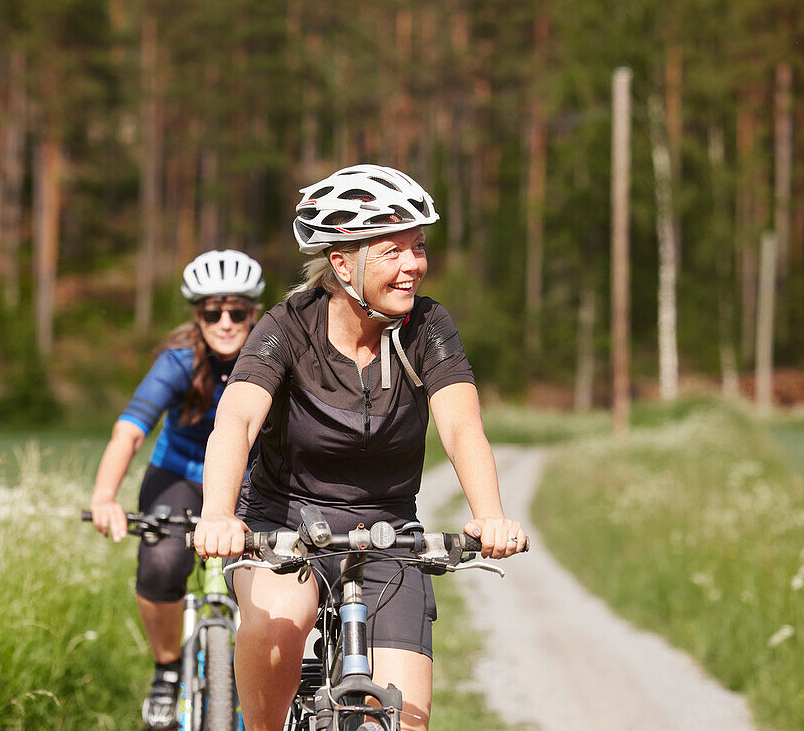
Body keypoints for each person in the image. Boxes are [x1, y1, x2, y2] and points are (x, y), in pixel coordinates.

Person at [192, 164, 528, 731]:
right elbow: (238, 420)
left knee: (405, 722)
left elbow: (462, 427)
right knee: (274, 630)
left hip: (388, 532)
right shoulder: (288, 326)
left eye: (418, 249)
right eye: (393, 251)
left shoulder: (429, 327)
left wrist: (489, 515)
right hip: (283, 521)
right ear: (343, 262)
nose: (413, 267)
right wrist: (219, 515)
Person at [88, 248, 265, 729]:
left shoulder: (272, 356)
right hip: (181, 473)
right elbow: (130, 430)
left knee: (275, 574)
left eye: (237, 312)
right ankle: (167, 671)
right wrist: (105, 496)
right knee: (163, 561)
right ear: (197, 316)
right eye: (213, 312)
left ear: (254, 314)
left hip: (253, 478)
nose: (225, 322)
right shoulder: (177, 362)